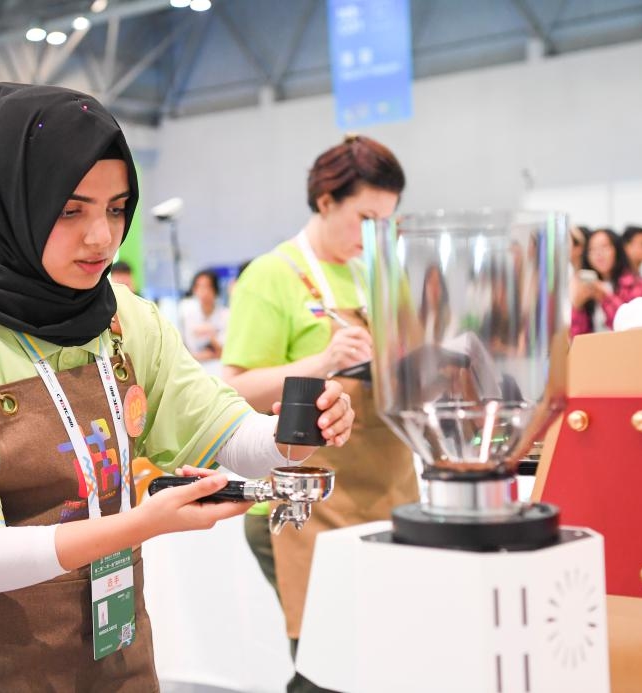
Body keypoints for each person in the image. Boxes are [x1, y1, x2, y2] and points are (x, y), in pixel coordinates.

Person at [0, 83, 355, 691]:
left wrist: (297, 432)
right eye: (71, 210)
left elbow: (227, 435)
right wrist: (137, 526)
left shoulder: (125, 318)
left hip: (115, 657)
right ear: (16, 202)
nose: (102, 236)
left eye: (117, 207)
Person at [222, 134, 419, 693]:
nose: (373, 235)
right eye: (364, 217)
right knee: (330, 669)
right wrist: (321, 360)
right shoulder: (272, 276)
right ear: (326, 200)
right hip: (304, 508)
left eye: (386, 221)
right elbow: (234, 390)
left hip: (385, 489)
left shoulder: (374, 274)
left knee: (388, 659)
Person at [571, 228, 642, 336]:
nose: (598, 253)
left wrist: (605, 297)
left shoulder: (636, 284)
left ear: (617, 249)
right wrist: (578, 306)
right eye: (592, 249)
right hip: (593, 350)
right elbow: (576, 338)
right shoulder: (587, 286)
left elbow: (631, 327)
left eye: (604, 247)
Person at [179, 269, 228, 362]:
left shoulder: (225, 315)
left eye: (207, 287)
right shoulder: (189, 316)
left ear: (215, 290)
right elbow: (189, 349)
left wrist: (209, 334)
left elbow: (223, 351)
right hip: (196, 365)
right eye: (198, 287)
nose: (203, 292)